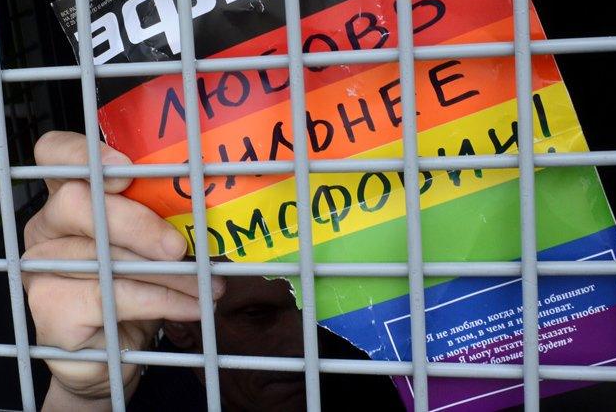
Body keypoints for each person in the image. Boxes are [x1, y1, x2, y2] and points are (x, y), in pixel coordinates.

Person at [23, 131, 404, 411]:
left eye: (322, 307)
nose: (305, 344)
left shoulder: (381, 377)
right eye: (257, 316)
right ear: (178, 324)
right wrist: (84, 398)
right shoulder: (150, 398)